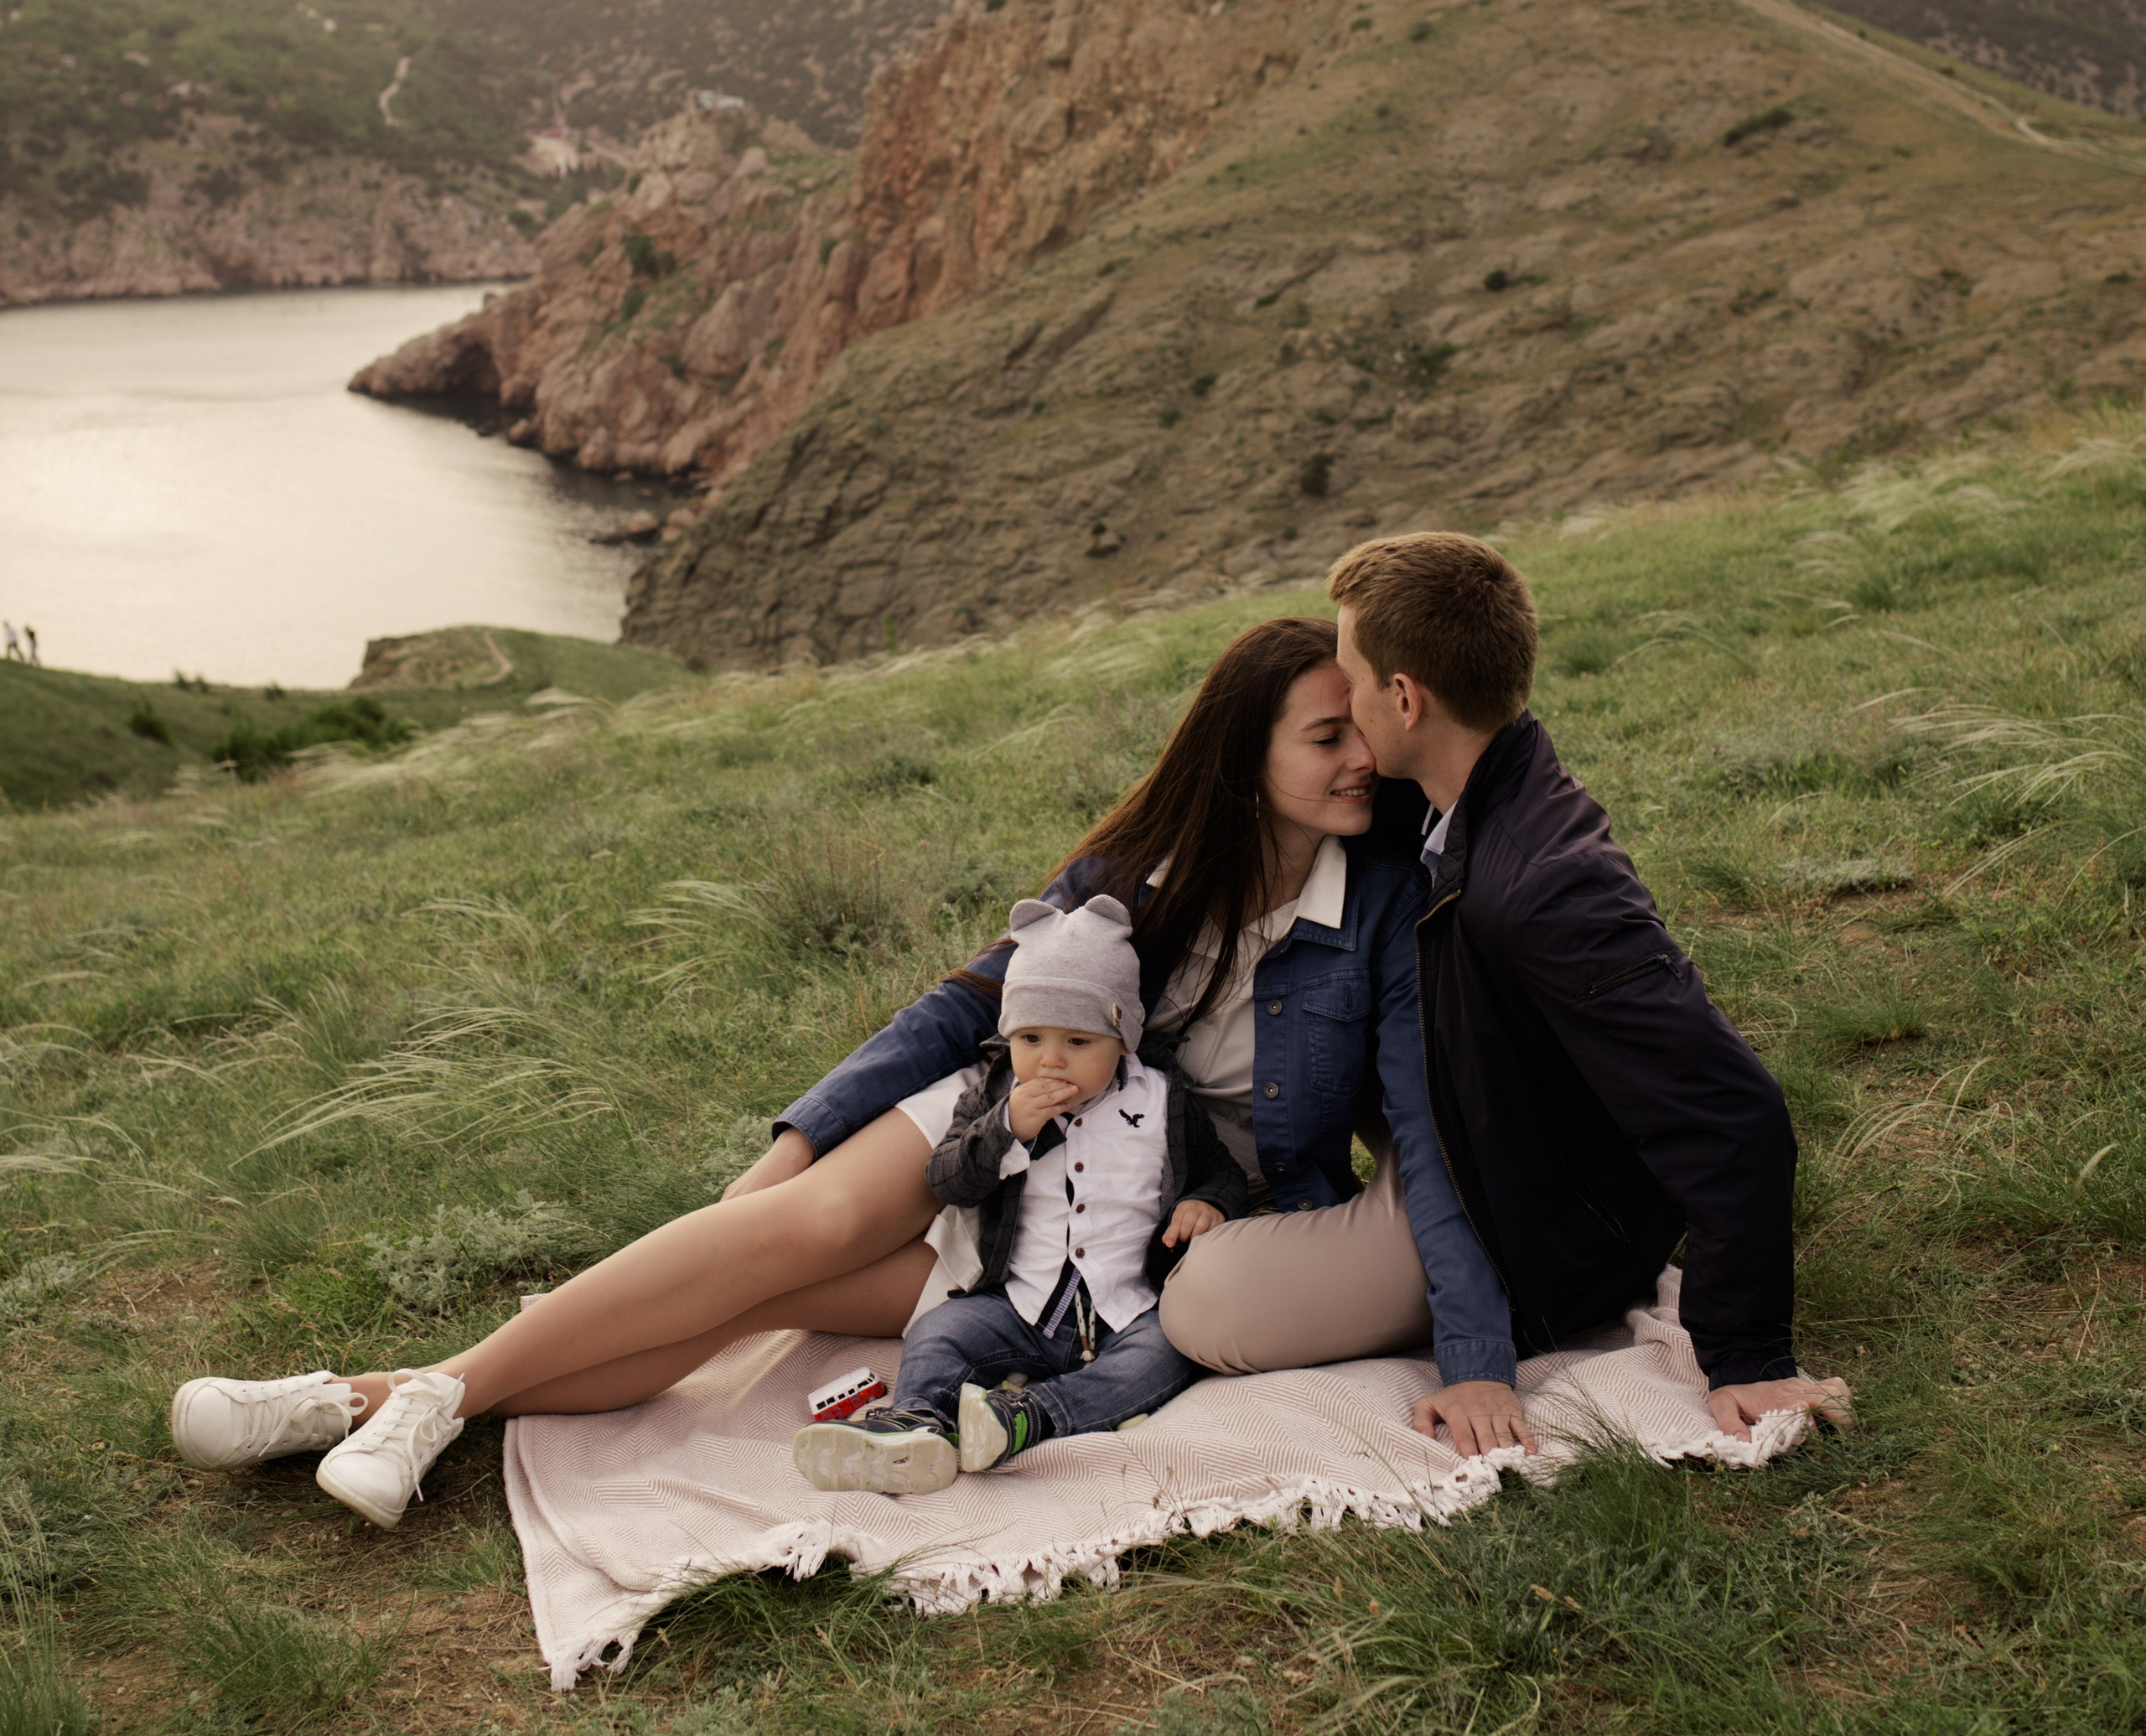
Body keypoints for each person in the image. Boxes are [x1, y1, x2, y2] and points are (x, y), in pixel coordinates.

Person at [168, 618, 1510, 1525]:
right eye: (1324, 737)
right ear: (1244, 758)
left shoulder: (1384, 906)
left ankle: (368, 1397)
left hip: (1111, 1213)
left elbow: (1419, 1136)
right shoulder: (1128, 883)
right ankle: (427, 1399)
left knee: (769, 1297)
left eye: (1359, 734)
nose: (1361, 758)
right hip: (996, 1120)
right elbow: (961, 1011)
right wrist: (799, 1142)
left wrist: (1474, 1348)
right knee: (791, 1227)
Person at [1313, 530, 1851, 1449]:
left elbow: (1735, 1115)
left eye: (1350, 680)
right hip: (1479, 1156)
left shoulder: (1551, 891)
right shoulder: (1471, 788)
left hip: (1553, 1255)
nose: (1341, 699)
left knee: (1212, 1311)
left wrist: (1748, 1353)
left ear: (1404, 699)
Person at [792, 892, 1247, 1496]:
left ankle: (1028, 1417)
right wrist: (1007, 1129)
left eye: (1078, 1043)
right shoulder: (995, 1097)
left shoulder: (1163, 1099)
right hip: (1021, 1305)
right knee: (941, 1329)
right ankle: (916, 1423)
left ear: (1123, 1039)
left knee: (1164, 1354)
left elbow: (1222, 1172)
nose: (1050, 1061)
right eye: (1030, 1039)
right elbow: (948, 1180)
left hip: (1130, 1307)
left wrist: (1207, 1203)